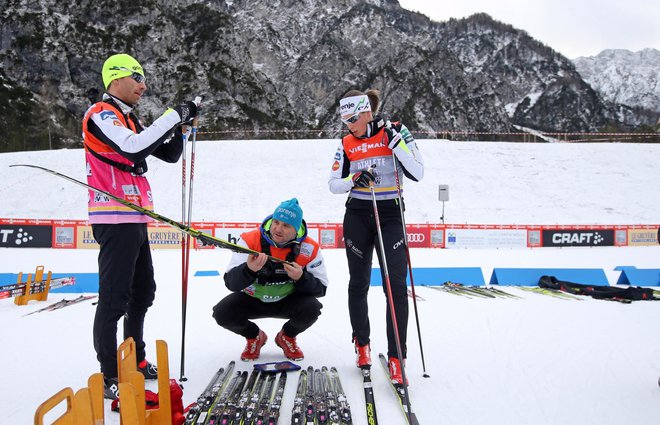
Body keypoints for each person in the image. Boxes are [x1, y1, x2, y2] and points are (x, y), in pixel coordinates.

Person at [83, 53, 200, 399]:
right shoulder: (101, 114)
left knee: (143, 292)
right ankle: (108, 375)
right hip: (112, 217)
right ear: (115, 79)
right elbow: (133, 151)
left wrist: (180, 130)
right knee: (114, 299)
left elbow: (167, 154)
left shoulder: (128, 119)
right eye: (136, 77)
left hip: (134, 217)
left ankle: (134, 359)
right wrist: (173, 115)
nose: (143, 85)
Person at [328, 89, 424, 384]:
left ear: (368, 112)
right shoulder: (345, 143)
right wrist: (353, 179)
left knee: (395, 287)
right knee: (358, 283)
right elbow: (333, 184)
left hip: (391, 215)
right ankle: (362, 344)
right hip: (358, 214)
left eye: (354, 118)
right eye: (345, 120)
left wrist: (398, 146)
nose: (350, 125)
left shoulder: (397, 131)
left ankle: (397, 358)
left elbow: (418, 172)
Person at [212, 198, 328, 361]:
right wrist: (249, 270)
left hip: (287, 301)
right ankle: (254, 337)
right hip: (252, 299)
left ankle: (287, 337)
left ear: (296, 229)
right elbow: (231, 283)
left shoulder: (309, 248)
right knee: (222, 313)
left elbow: (321, 289)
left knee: (312, 308)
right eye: (276, 222)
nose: (277, 229)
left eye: (286, 225)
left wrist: (301, 278)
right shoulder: (250, 241)